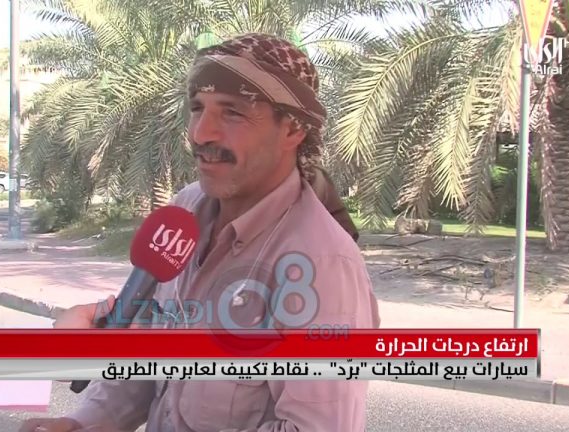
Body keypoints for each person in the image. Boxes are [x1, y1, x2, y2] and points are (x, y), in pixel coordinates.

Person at [20, 33, 380, 432]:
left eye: (233, 113)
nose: (201, 133)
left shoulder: (322, 264)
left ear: (293, 129)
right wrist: (84, 423)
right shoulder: (183, 211)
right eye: (197, 108)